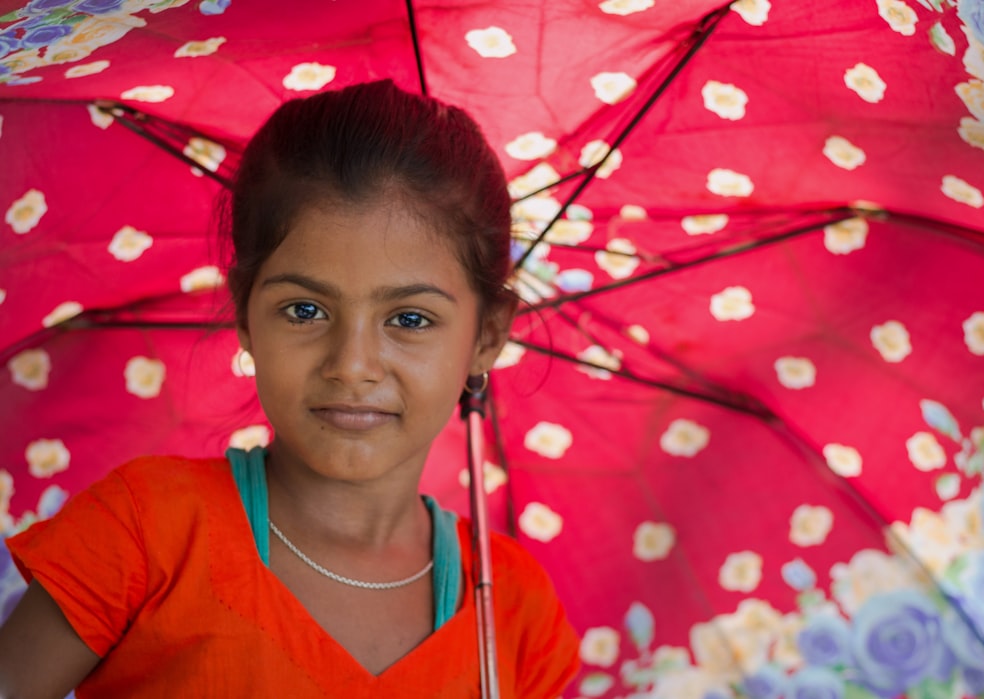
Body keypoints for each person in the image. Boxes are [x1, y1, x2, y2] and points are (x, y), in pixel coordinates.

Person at [0, 80, 580, 698]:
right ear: (246, 315)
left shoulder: (514, 610)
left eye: (410, 319)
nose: (352, 365)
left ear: (487, 335)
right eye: (305, 310)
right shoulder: (145, 531)